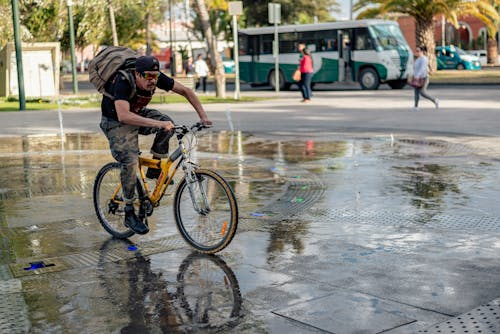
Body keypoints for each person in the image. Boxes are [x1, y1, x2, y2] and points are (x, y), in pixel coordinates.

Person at [99, 55, 212, 235]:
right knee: (129, 161)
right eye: (149, 77)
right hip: (115, 122)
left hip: (137, 113)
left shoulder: (156, 78)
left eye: (156, 76)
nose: (153, 81)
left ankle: (155, 168)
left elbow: (186, 91)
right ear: (137, 74)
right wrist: (157, 124)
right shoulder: (122, 80)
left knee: (169, 124)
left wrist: (203, 116)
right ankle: (129, 212)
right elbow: (123, 116)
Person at [412, 45, 439, 112]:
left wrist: (417, 76)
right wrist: (414, 75)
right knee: (416, 92)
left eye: (418, 51)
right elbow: (415, 68)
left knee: (422, 92)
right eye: (416, 51)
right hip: (417, 78)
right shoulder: (417, 59)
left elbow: (422, 69)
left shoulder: (424, 59)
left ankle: (435, 100)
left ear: (422, 51)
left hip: (424, 78)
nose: (417, 52)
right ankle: (416, 106)